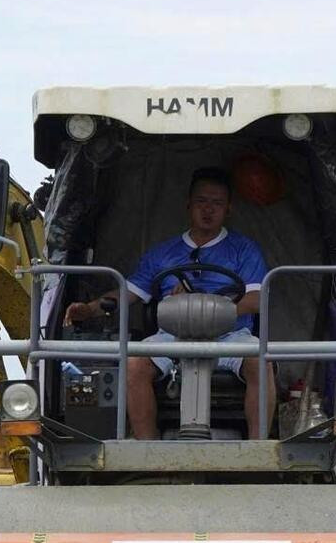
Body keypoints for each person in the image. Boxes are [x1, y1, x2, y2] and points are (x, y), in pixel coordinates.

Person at [63, 167, 273, 439]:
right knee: (134, 363)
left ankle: (259, 451)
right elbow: (129, 293)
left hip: (230, 336)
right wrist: (89, 308)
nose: (208, 210)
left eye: (217, 203)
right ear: (188, 205)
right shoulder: (162, 253)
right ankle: (148, 453)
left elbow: (255, 300)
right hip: (172, 337)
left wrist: (203, 307)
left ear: (228, 209)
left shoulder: (244, 249)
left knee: (261, 360)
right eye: (201, 202)